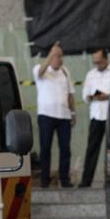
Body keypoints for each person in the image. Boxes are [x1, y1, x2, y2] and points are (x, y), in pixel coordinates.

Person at [32, 41, 76, 187]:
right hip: (46, 116)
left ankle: (65, 179)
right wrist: (51, 53)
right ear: (50, 57)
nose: (59, 59)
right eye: (56, 56)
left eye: (61, 56)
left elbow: (70, 93)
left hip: (64, 116)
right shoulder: (41, 69)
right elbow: (39, 73)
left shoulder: (65, 71)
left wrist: (73, 112)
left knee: (65, 149)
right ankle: (45, 180)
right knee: (45, 148)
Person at [78, 49, 110, 188]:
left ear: (106, 59)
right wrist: (91, 96)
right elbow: (84, 96)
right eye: (95, 62)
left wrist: (108, 96)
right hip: (96, 116)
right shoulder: (90, 75)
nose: (97, 65)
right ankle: (86, 181)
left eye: (99, 62)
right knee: (92, 149)